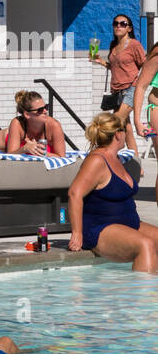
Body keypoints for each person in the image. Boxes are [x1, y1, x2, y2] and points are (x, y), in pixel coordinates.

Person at [67, 112, 158, 271]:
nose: (128, 133)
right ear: (118, 134)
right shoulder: (96, 160)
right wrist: (77, 233)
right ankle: (143, 294)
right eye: (125, 130)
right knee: (146, 245)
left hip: (130, 224)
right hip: (100, 227)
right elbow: (75, 193)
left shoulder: (117, 158)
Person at [93, 14, 146, 156]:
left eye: (123, 24)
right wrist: (101, 62)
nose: (118, 26)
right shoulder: (113, 45)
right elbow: (114, 66)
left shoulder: (134, 45)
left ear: (129, 28)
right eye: (115, 23)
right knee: (126, 127)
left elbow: (145, 66)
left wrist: (139, 85)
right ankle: (136, 164)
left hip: (131, 89)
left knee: (113, 123)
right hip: (116, 91)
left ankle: (103, 154)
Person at [0, 90, 66, 156]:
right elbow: (11, 154)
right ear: (27, 114)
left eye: (46, 107)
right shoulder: (17, 123)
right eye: (40, 110)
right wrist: (25, 149)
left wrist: (38, 151)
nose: (45, 111)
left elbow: (62, 157)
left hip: (17, 142)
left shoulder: (54, 126)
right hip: (5, 140)